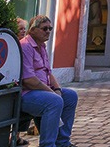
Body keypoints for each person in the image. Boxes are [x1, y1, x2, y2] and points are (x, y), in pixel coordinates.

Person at [20, 16, 79, 147]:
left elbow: (48, 73)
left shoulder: (42, 46)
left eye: (50, 28)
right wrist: (52, 93)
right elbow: (29, 80)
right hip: (26, 94)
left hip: (42, 91)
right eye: (44, 28)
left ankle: (62, 142)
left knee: (70, 96)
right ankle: (48, 144)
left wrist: (57, 89)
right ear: (33, 30)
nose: (48, 31)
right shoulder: (25, 46)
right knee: (54, 101)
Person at [14, 19, 31, 146]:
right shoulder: (14, 44)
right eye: (20, 29)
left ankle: (16, 136)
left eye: (24, 29)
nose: (23, 31)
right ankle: (14, 137)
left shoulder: (24, 44)